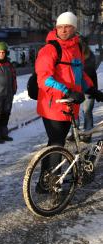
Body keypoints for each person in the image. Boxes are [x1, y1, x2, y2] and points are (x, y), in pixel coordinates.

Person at [34, 12, 94, 193]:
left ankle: (44, 183)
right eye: (60, 26)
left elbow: (79, 75)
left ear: (74, 28)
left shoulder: (76, 48)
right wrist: (67, 91)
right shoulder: (50, 49)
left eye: (67, 26)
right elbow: (44, 79)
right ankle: (52, 184)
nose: (63, 30)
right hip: (54, 105)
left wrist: (92, 89)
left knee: (55, 143)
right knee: (57, 143)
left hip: (70, 106)